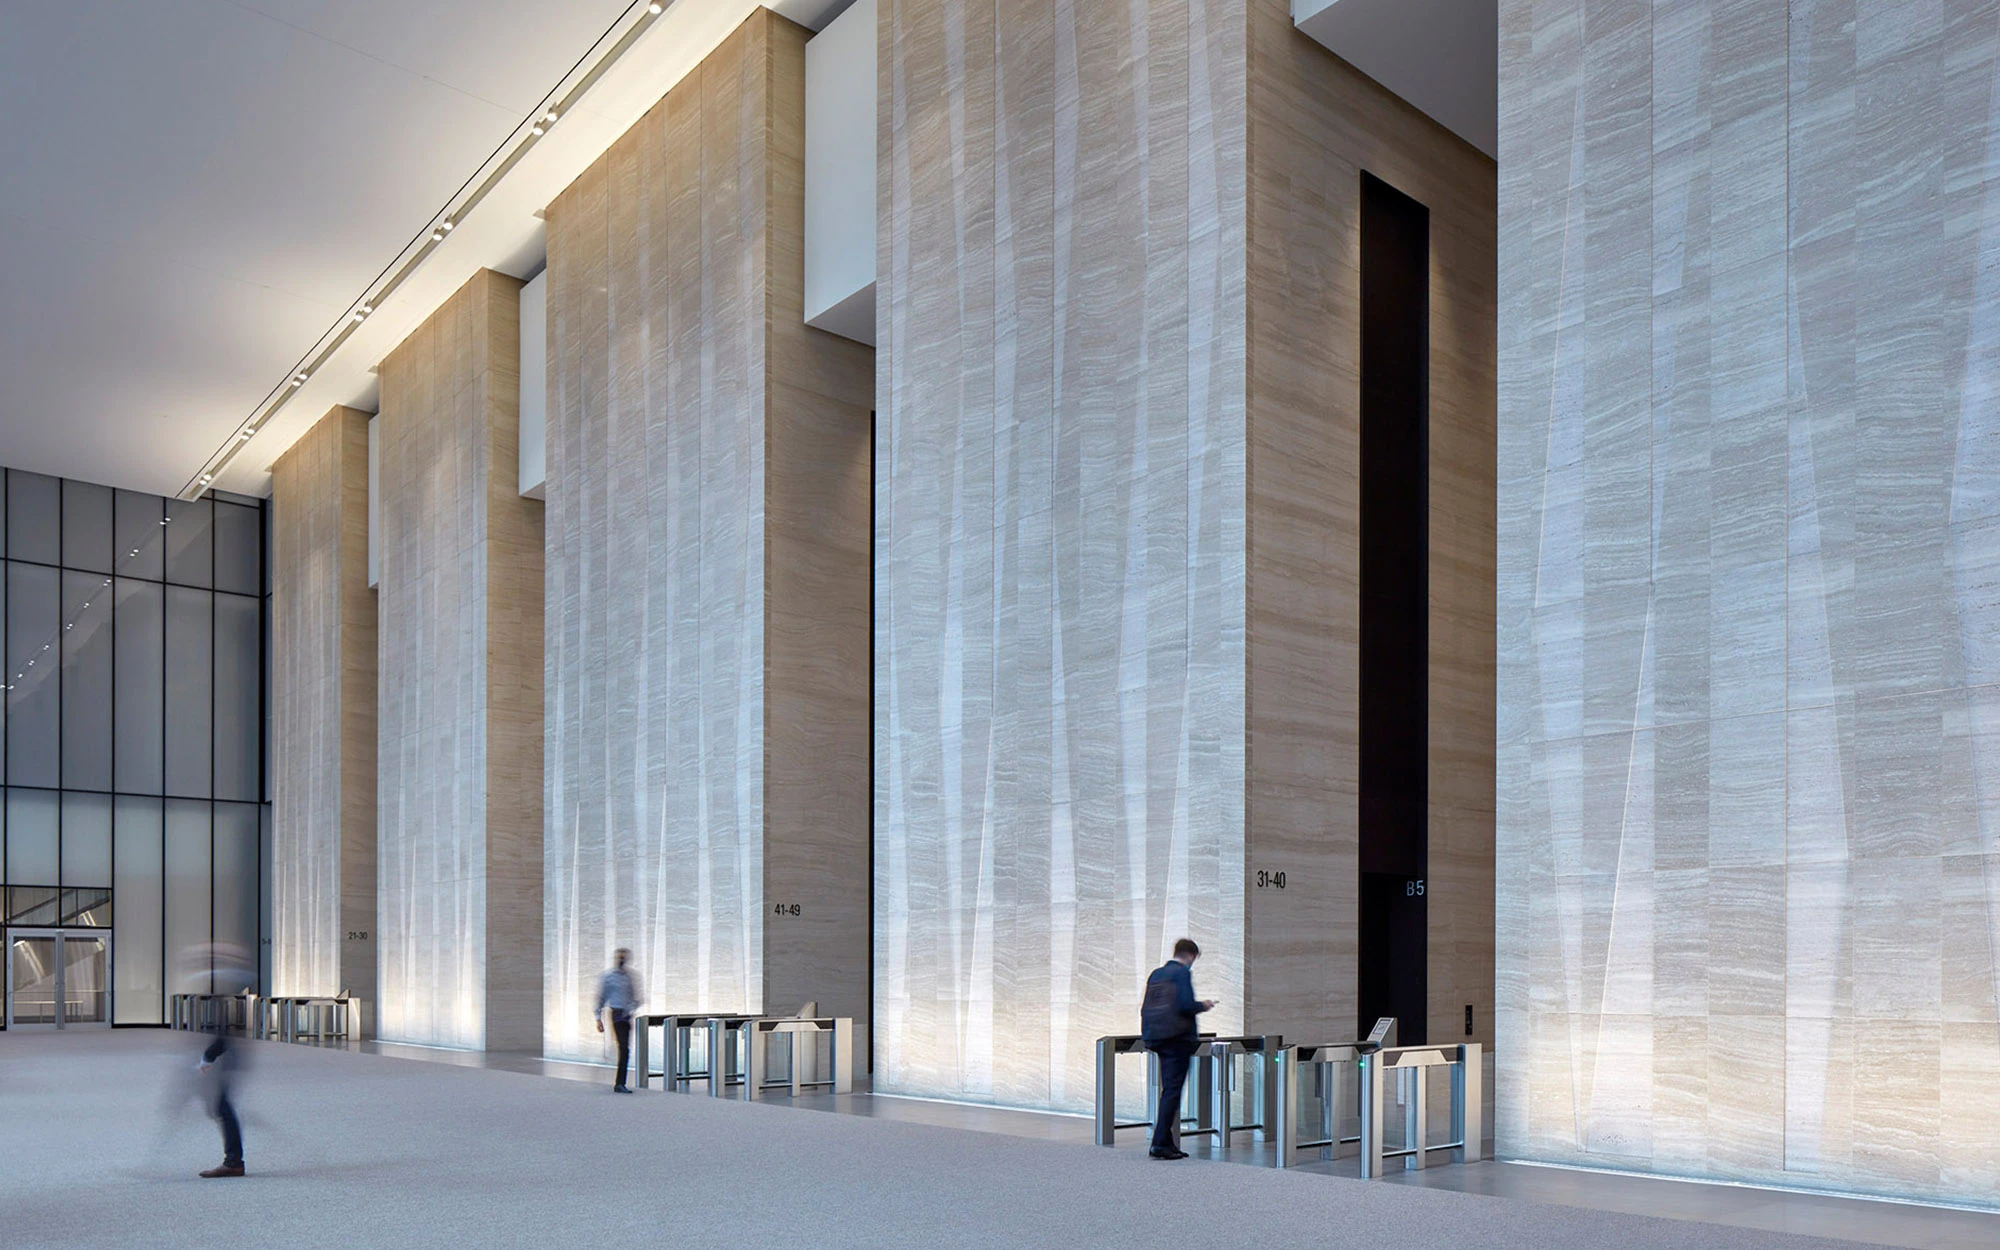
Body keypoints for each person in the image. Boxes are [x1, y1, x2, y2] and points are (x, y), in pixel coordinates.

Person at [1140, 937, 1214, 1160]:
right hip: (1177, 1039)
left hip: (1157, 1037)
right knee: (1172, 1092)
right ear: (1191, 956)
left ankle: (1166, 1142)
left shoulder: (1157, 974)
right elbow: (1185, 1005)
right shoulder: (1182, 973)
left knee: (1168, 1092)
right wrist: (1204, 1005)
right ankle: (1159, 1144)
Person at [593, 948, 645, 1093]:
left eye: (624, 958)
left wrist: (632, 1008)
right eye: (620, 957)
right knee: (623, 1047)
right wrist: (598, 1018)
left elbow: (636, 997)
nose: (622, 960)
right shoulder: (608, 977)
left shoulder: (631, 977)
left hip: (626, 1014)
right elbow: (601, 997)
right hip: (616, 1013)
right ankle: (619, 1083)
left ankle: (620, 1082)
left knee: (625, 1048)